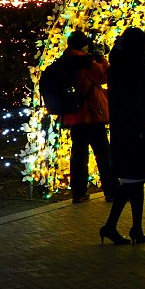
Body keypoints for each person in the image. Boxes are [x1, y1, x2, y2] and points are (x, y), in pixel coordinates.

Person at [99, 27, 145, 245]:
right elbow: (139, 101)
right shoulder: (135, 69)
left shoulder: (117, 67)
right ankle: (133, 229)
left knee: (132, 181)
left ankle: (116, 227)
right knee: (135, 180)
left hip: (122, 130)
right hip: (134, 130)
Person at [61, 30, 117, 203]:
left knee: (78, 154)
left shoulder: (65, 60)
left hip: (74, 115)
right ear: (83, 44)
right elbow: (105, 77)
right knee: (104, 154)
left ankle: (78, 193)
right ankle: (112, 191)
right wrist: (101, 58)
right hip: (91, 114)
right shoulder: (85, 61)